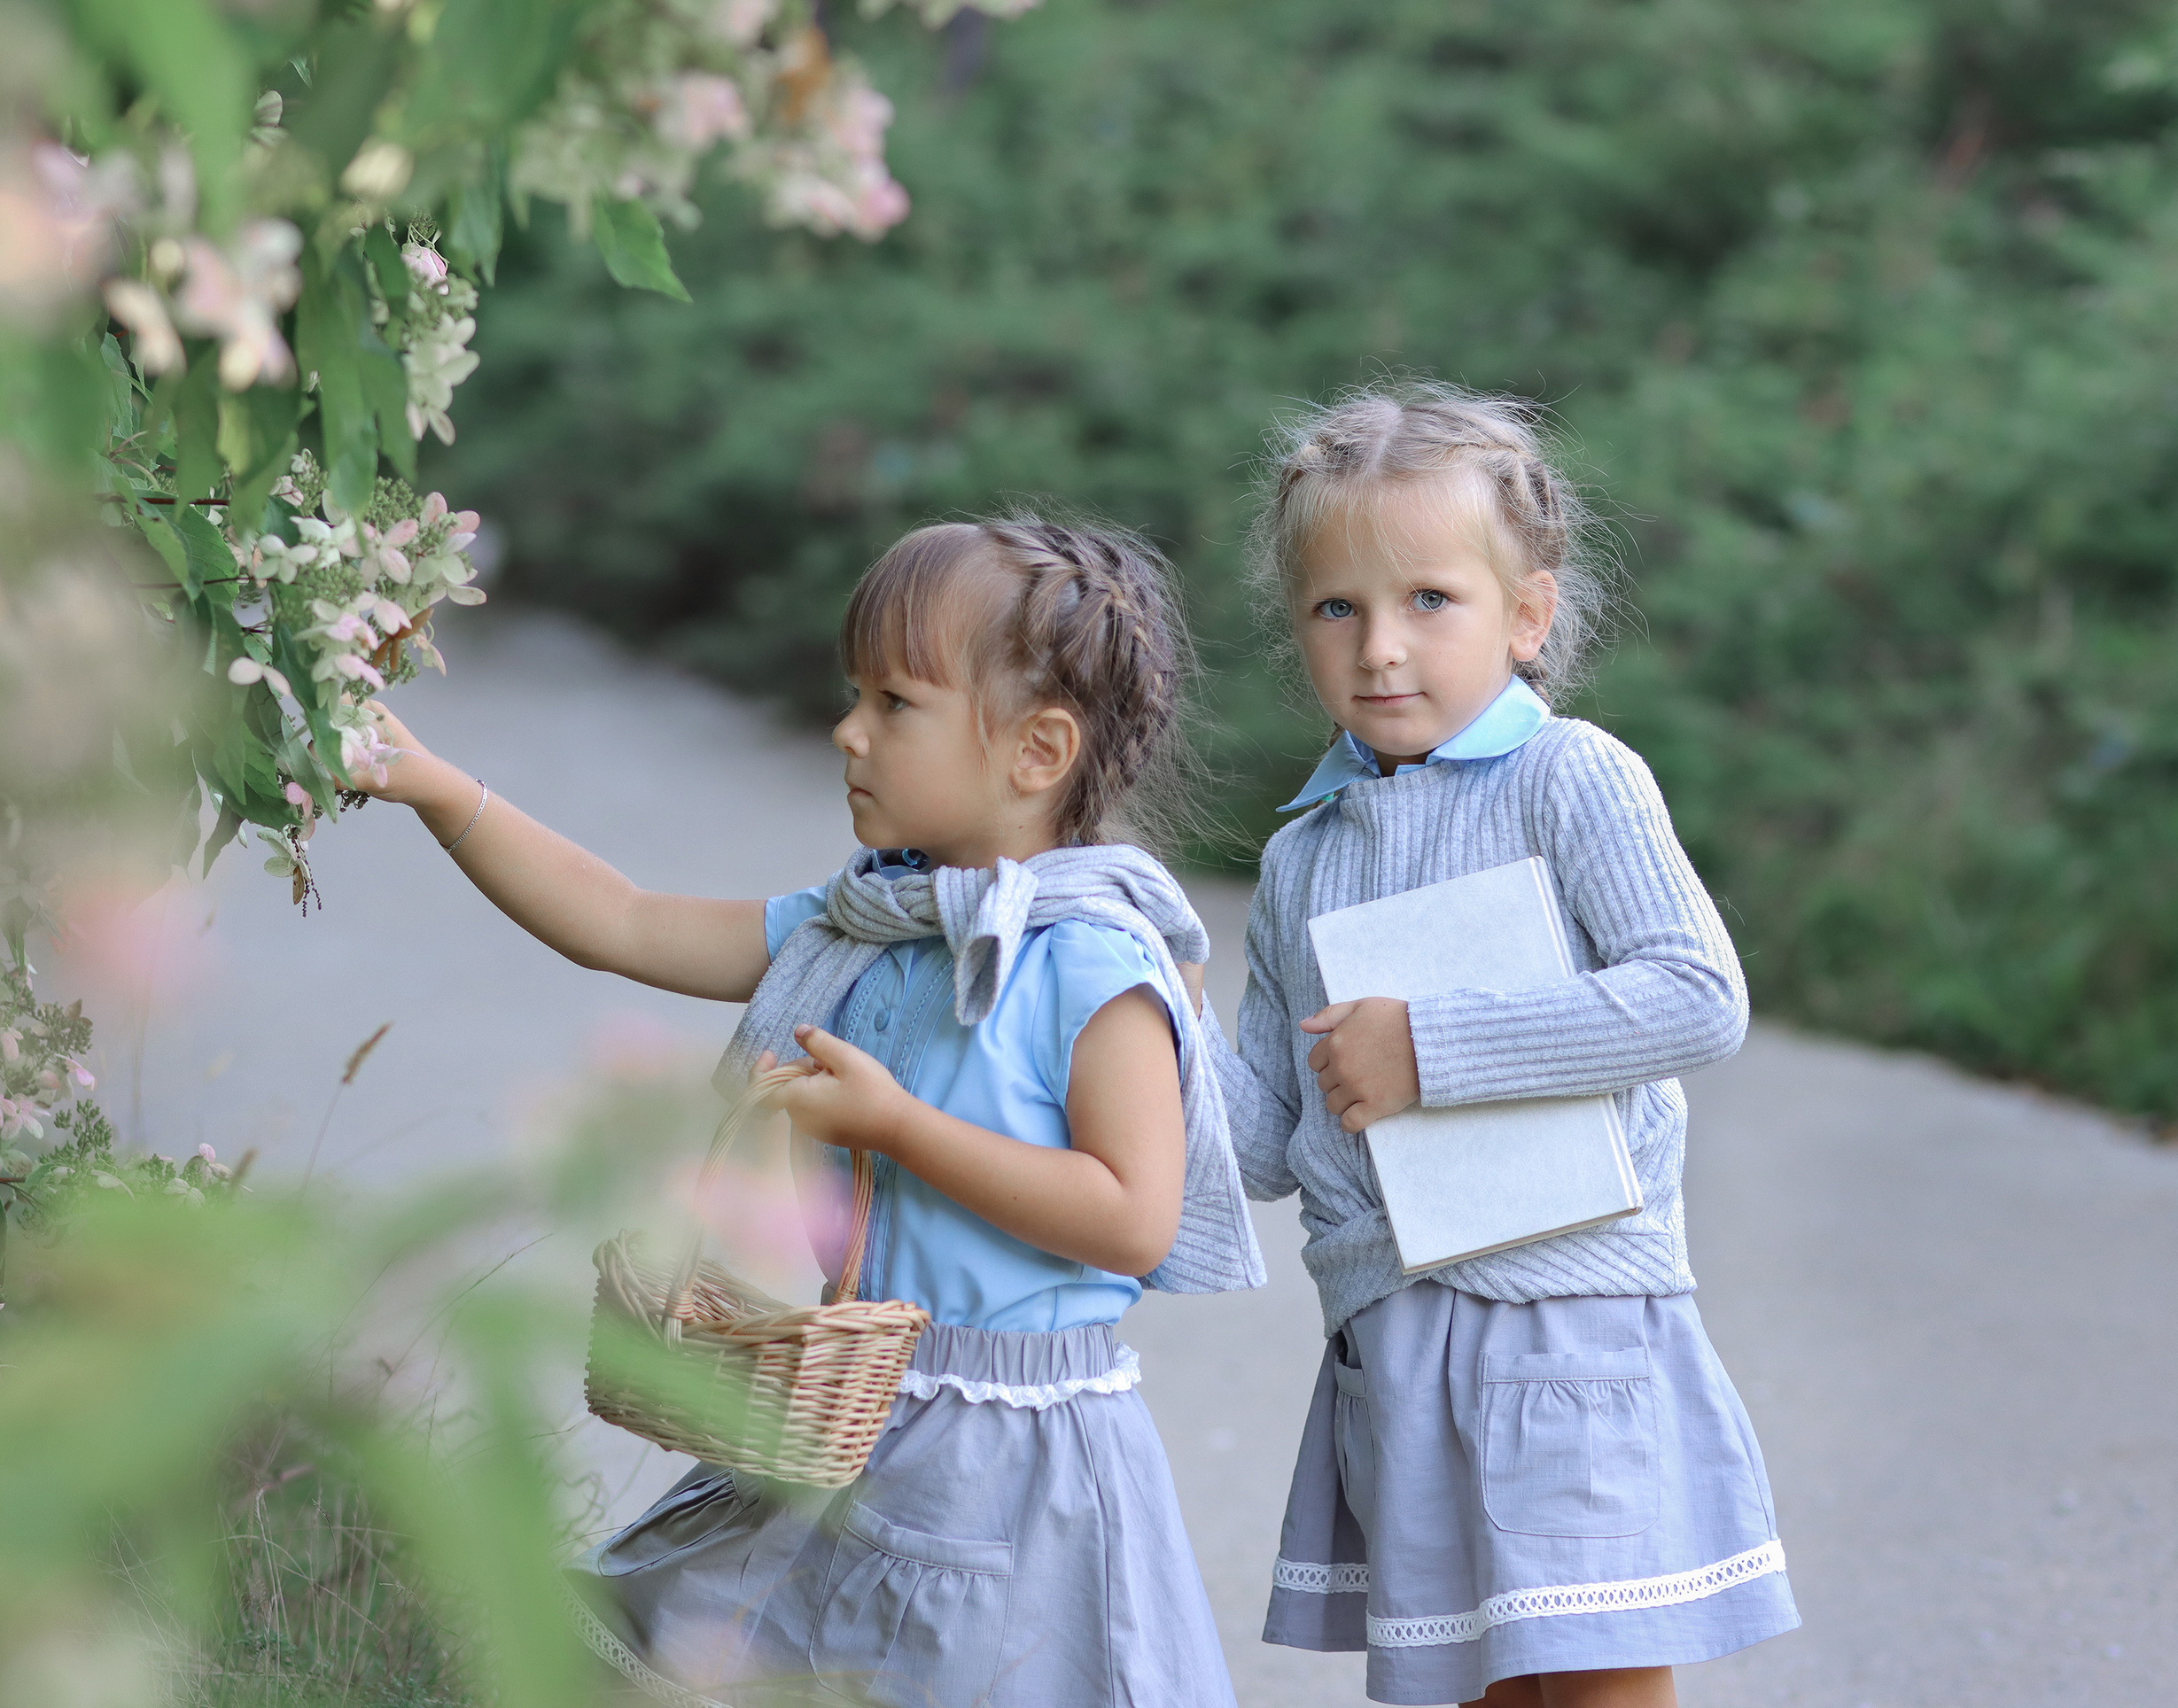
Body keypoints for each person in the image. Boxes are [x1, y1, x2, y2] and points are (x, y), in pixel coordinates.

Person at [352, 516, 1264, 1708]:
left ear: (1038, 750)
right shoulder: (867, 925)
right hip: (842, 1422)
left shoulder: (1094, 966)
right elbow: (620, 923)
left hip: (1011, 1467)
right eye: (855, 696)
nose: (850, 732)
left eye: (896, 703)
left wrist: (900, 1128)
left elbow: (1134, 1217)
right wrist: (429, 783)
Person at [1205, 383, 1801, 1708]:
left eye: (1429, 599)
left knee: (1590, 1679)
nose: (1380, 648)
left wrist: (1431, 1052)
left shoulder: (1573, 779)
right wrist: (1136, 1012)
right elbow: (1260, 1141)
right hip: (1390, 1344)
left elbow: (1697, 995)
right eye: (1336, 608)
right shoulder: (1305, 855)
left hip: (1563, 1320)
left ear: (1526, 616)